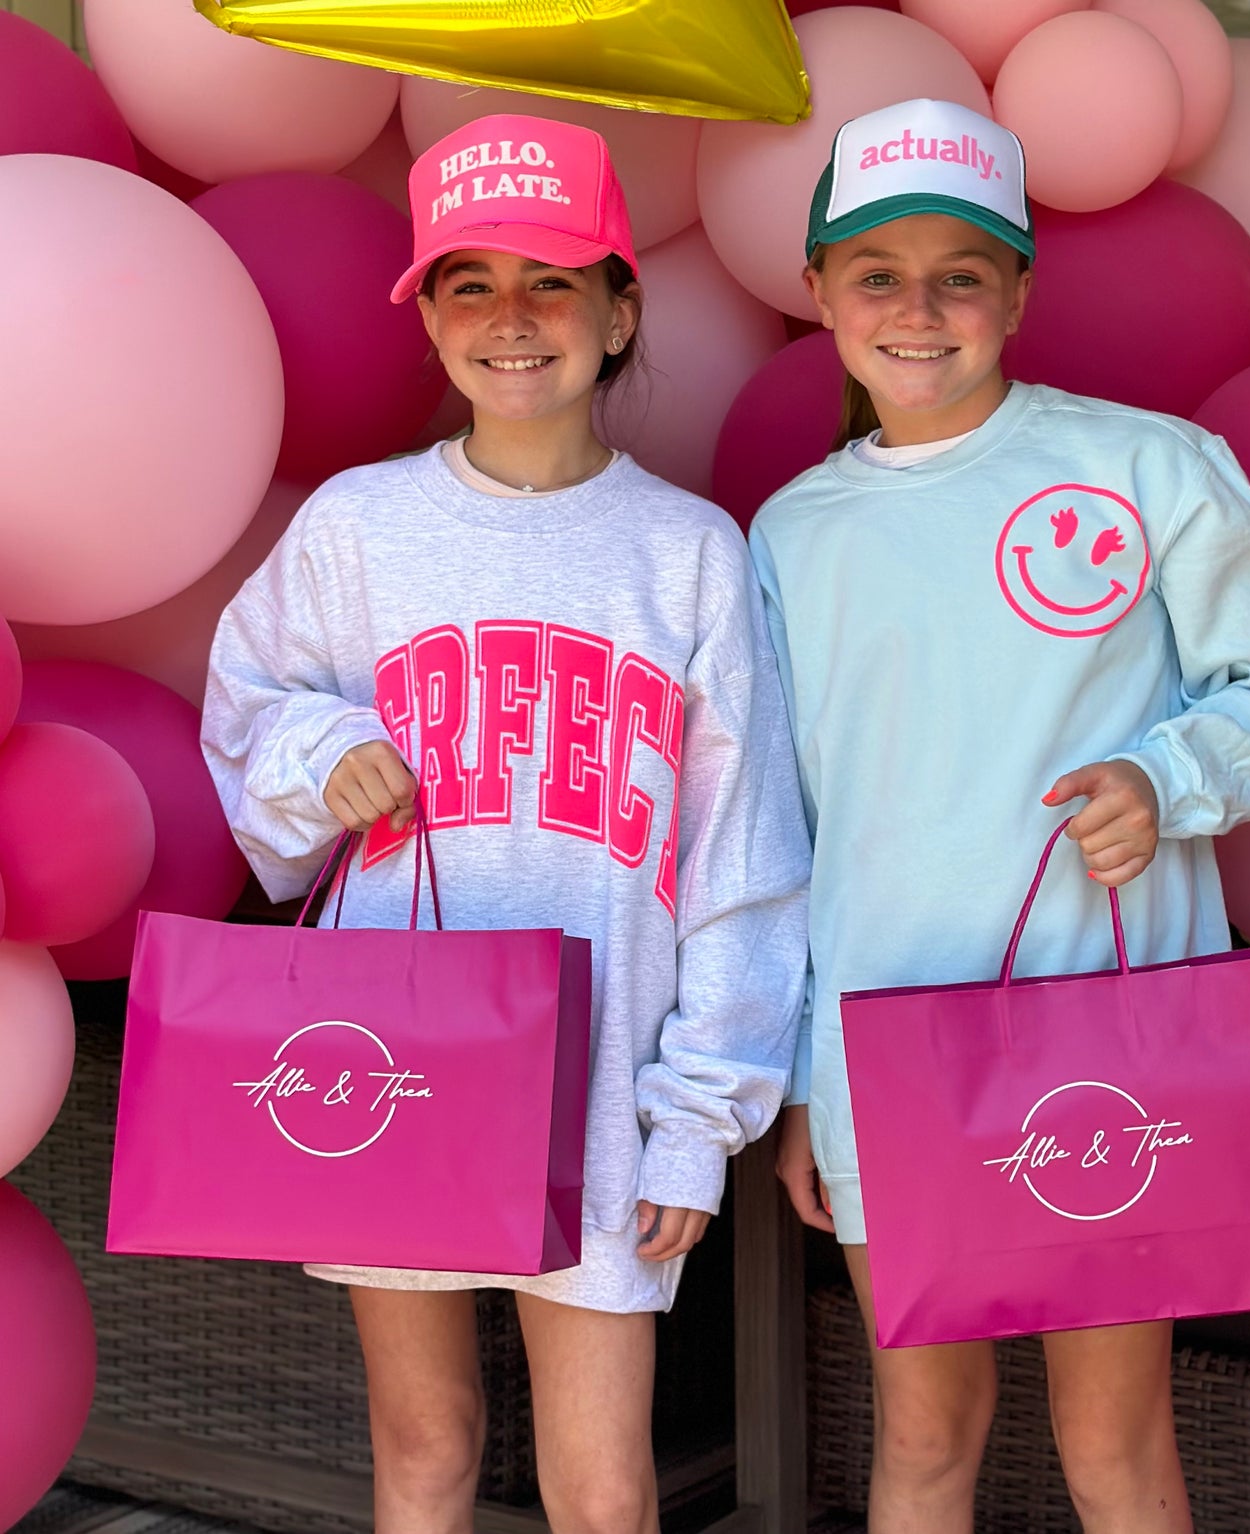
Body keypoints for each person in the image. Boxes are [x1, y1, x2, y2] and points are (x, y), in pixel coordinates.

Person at [202, 113, 811, 1534]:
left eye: (550, 279)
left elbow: (744, 852)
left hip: (604, 1083)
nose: (511, 319)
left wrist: (692, 1120)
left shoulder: (689, 555)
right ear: (427, 318)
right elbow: (247, 708)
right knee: (423, 1446)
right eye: (468, 282)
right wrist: (325, 743)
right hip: (392, 1062)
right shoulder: (359, 528)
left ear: (619, 307)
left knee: (602, 1487)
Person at [748, 97, 1250, 1534]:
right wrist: (795, 1085)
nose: (919, 305)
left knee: (1118, 1446)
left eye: (961, 270)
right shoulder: (790, 532)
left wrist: (1165, 777)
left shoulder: (1145, 470)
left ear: (1017, 290)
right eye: (875, 271)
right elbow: (780, 831)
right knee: (922, 1443)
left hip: (1109, 1040)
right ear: (818, 292)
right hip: (885, 1052)